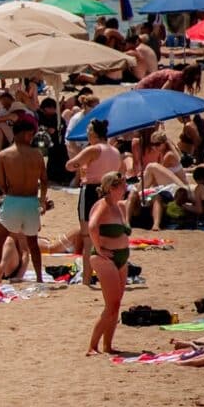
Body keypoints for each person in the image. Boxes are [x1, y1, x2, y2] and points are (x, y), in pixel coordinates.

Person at [66, 119, 122, 286]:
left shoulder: (93, 149)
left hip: (91, 190)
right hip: (109, 192)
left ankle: (86, 279)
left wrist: (80, 161)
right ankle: (112, 274)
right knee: (106, 235)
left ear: (93, 133)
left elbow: (69, 165)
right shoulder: (114, 151)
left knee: (88, 237)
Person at [0, 116, 47, 283]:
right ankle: (39, 278)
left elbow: (1, 184)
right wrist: (42, 201)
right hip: (31, 201)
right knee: (33, 244)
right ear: (25, 133)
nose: (32, 137)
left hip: (13, 199)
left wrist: (9, 192)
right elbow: (44, 181)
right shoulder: (37, 154)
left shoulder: (3, 155)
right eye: (31, 134)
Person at [86, 172, 130, 356]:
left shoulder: (120, 206)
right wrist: (99, 248)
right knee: (111, 304)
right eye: (122, 185)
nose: (126, 188)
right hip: (104, 258)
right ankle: (92, 346)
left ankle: (108, 345)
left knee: (117, 303)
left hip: (121, 257)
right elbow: (92, 226)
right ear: (112, 188)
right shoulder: (102, 205)